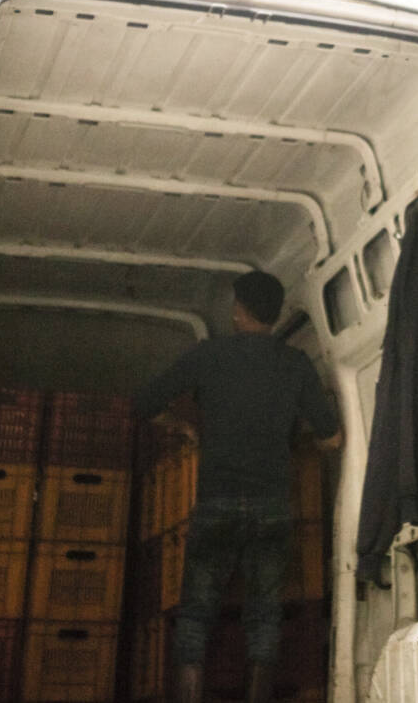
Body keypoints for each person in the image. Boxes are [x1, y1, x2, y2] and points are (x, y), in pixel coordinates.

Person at [138, 269, 342, 703]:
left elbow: (145, 403)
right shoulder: (295, 364)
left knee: (194, 614)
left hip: (217, 502)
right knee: (264, 616)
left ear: (238, 311)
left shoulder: (209, 356)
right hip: (271, 507)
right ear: (274, 313)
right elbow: (333, 438)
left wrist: (185, 429)